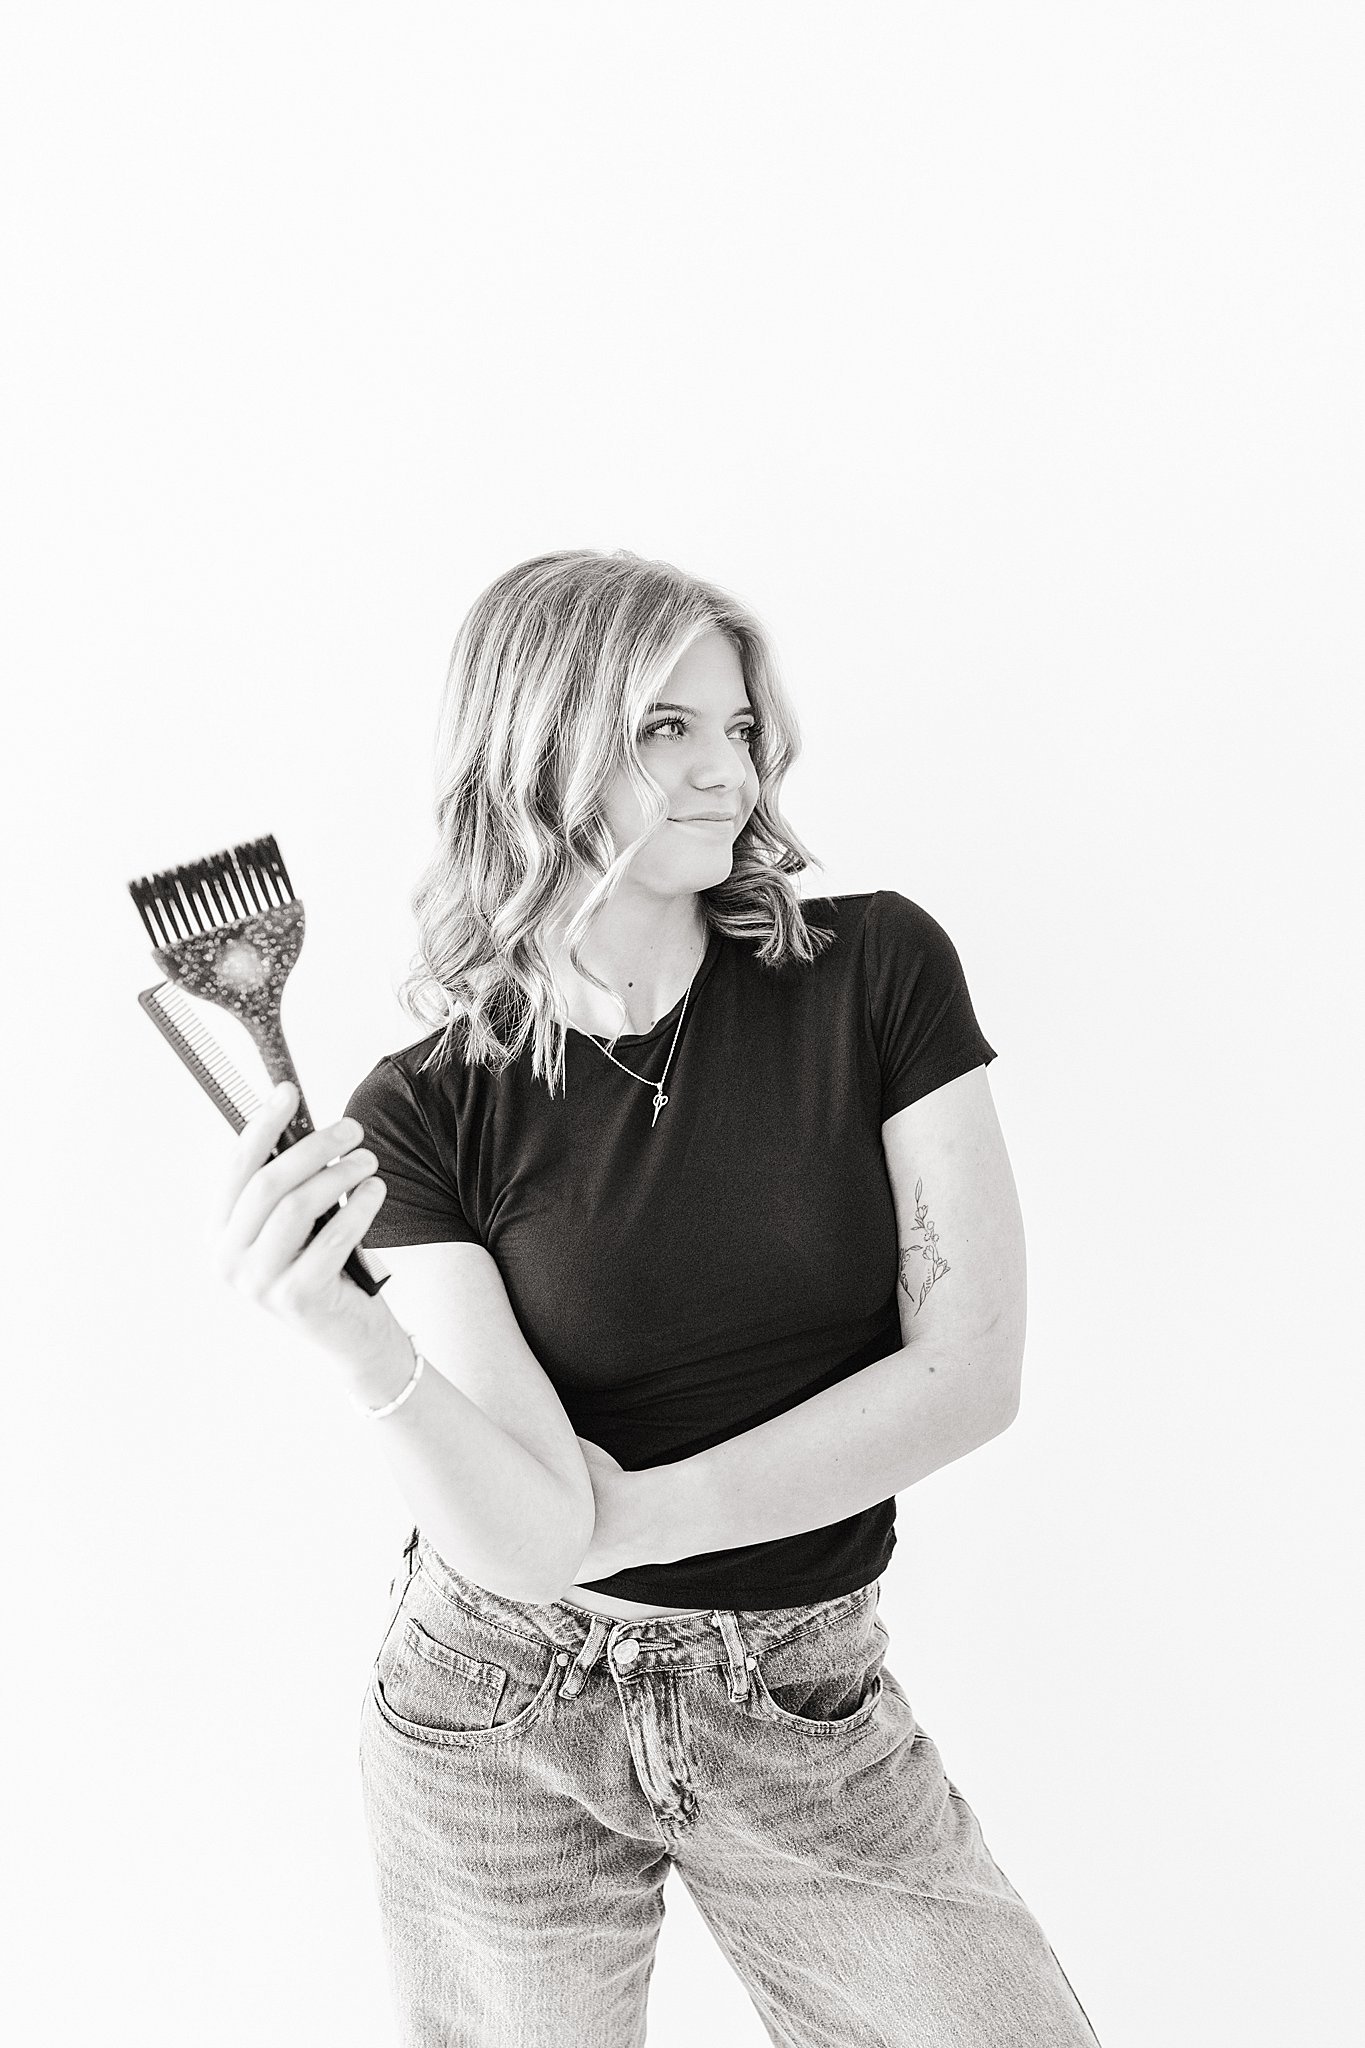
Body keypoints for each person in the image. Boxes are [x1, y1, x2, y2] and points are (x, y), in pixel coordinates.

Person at [212, 549, 1102, 2046]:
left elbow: (970, 1372)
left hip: (798, 1690)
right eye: (663, 729)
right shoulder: (424, 1114)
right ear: (536, 750)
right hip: (497, 1704)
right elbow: (514, 1539)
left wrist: (627, 1520)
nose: (725, 772)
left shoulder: (871, 972)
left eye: (739, 726)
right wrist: (349, 1338)